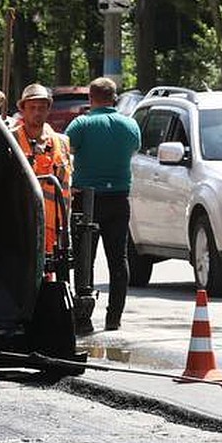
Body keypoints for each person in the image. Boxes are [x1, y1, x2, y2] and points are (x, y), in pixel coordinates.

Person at [65, 77, 142, 332]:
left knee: (84, 258)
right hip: (119, 198)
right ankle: (114, 317)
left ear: (90, 98)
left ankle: (84, 318)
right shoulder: (130, 125)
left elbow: (65, 151)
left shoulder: (81, 125)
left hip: (87, 199)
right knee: (118, 259)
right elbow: (134, 148)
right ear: (115, 98)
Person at [11, 82, 72, 267]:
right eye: (32, 108)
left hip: (53, 226)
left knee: (49, 278)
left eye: (41, 108)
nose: (37, 112)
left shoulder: (62, 142)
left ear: (48, 110)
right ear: (23, 110)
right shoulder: (10, 140)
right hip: (20, 224)